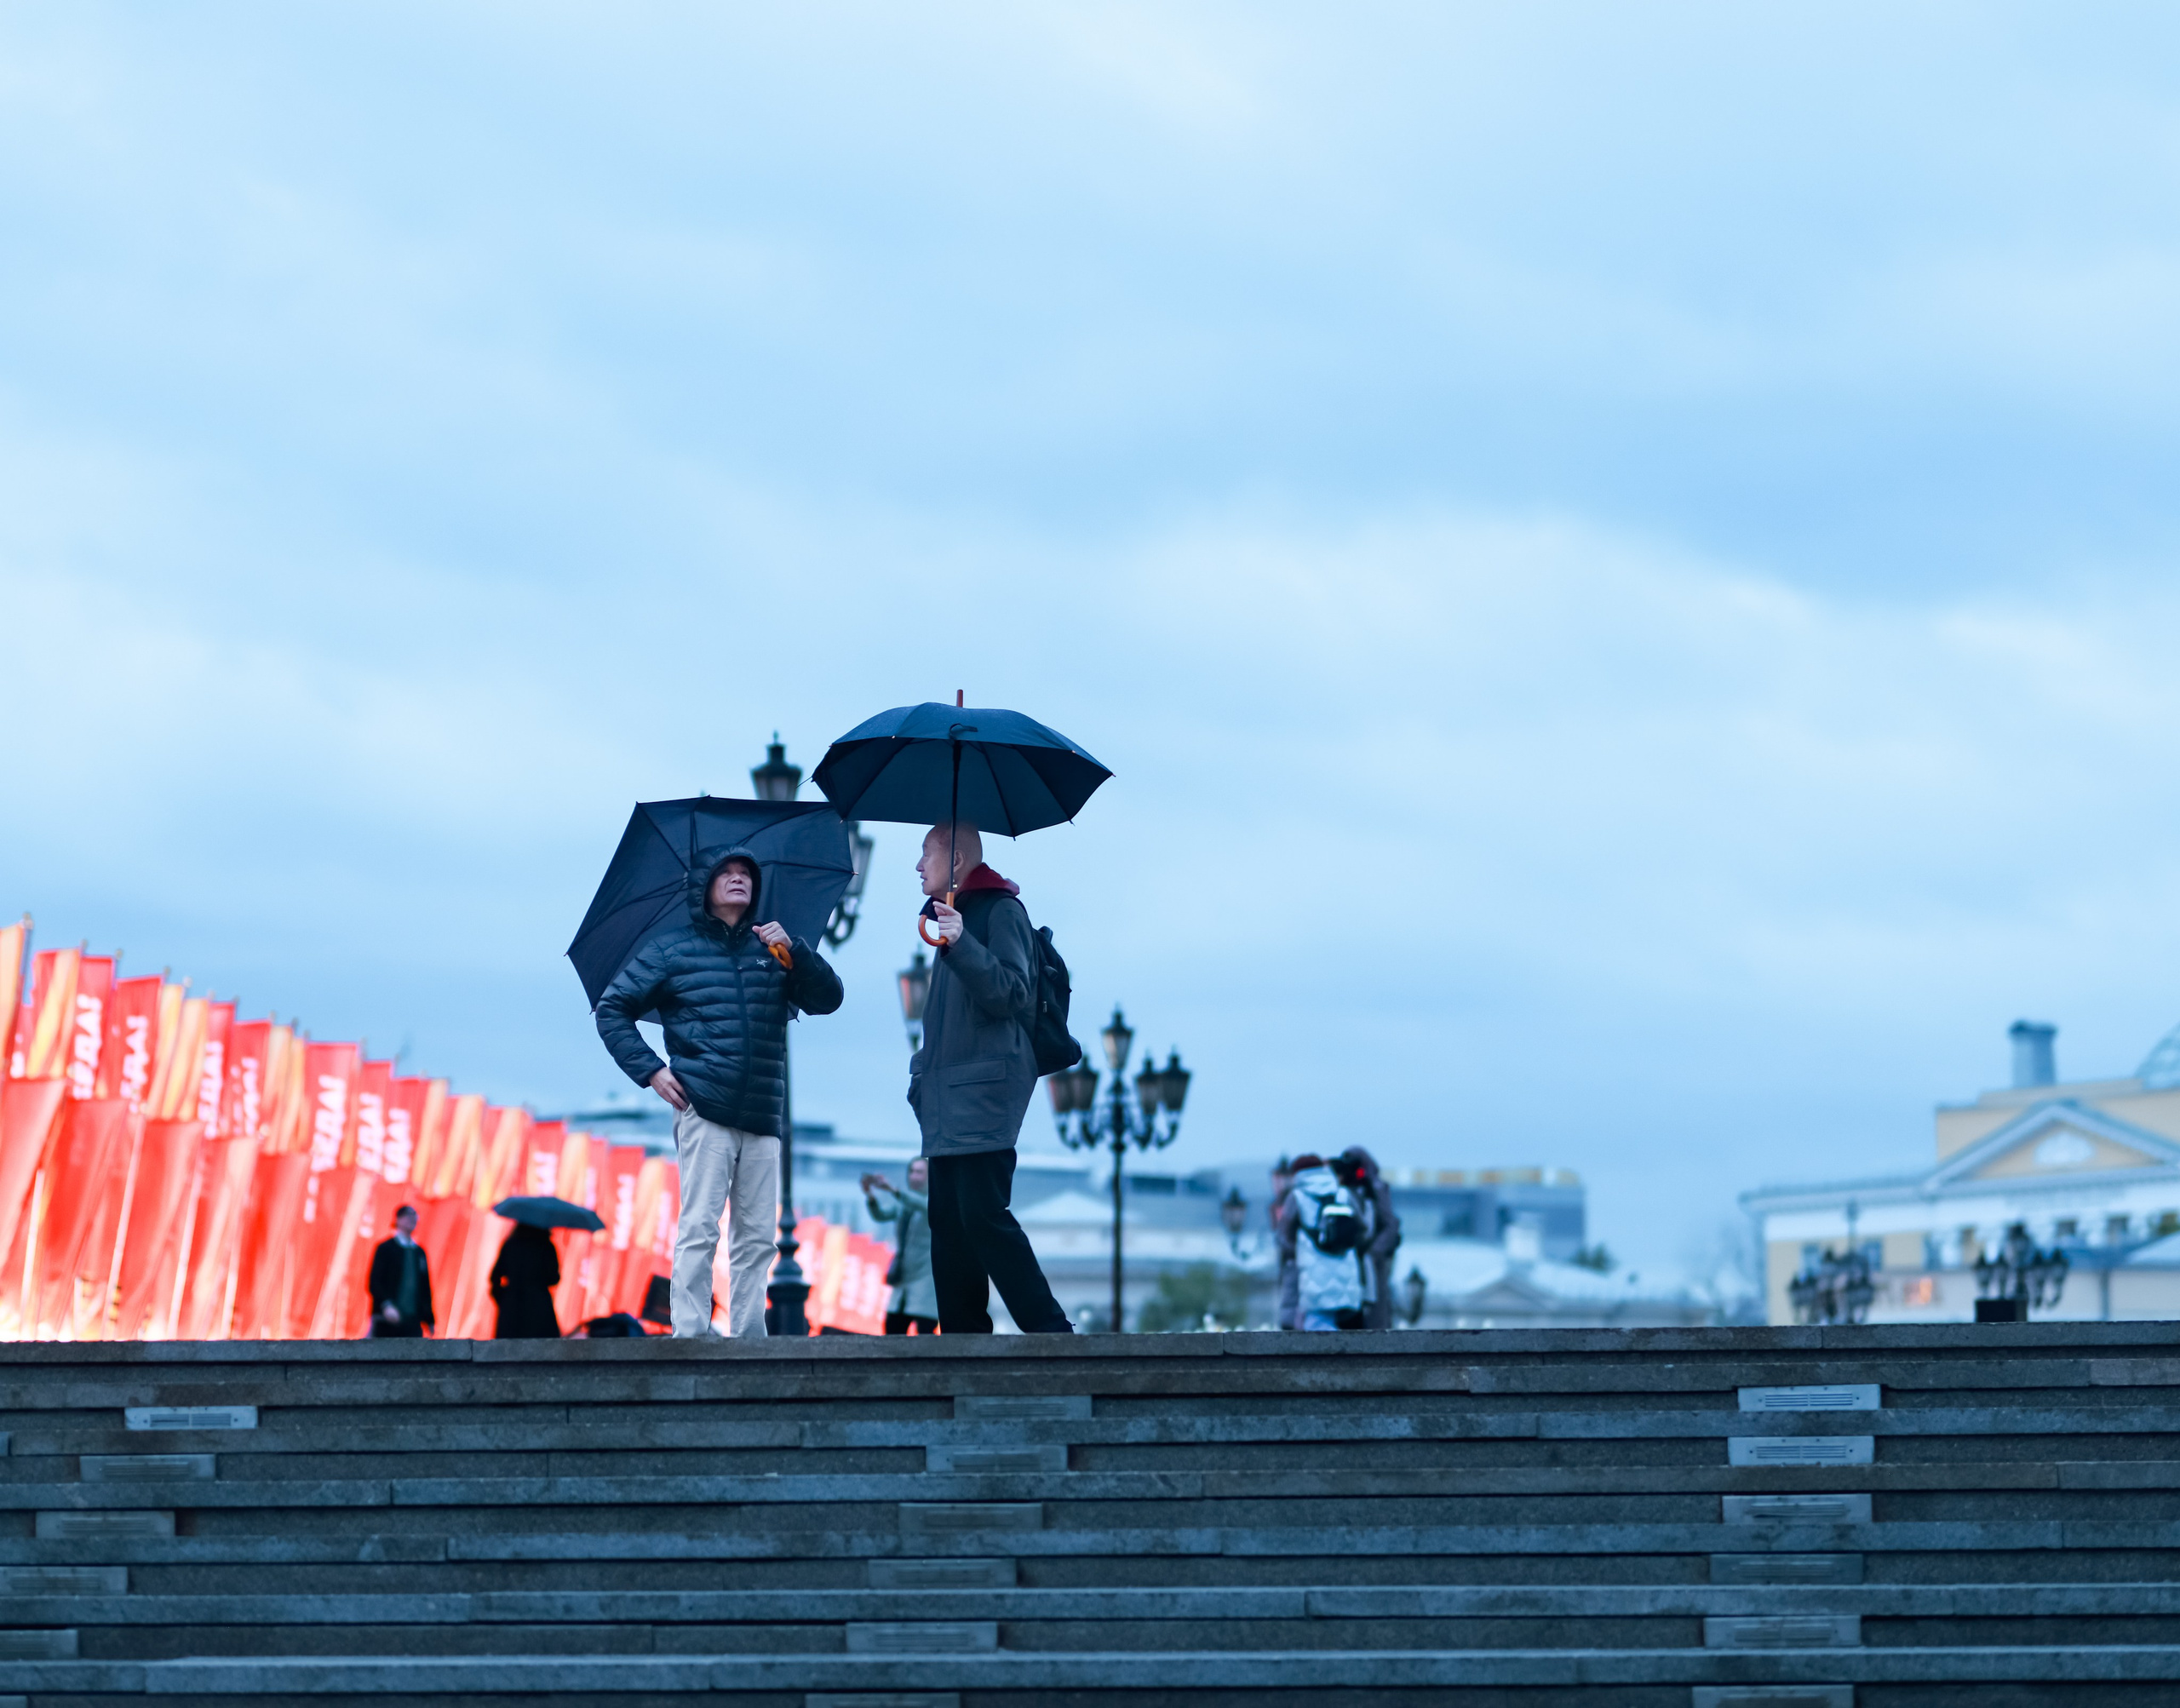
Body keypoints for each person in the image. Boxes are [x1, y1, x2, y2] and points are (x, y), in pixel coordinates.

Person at [595, 846, 844, 1338]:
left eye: (746, 874)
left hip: (763, 1113)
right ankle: (691, 1331)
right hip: (704, 1105)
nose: (738, 880)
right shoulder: (672, 949)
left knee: (757, 1238)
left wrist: (798, 955)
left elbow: (828, 1000)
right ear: (703, 887)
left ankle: (750, 1335)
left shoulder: (773, 950)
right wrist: (650, 1071)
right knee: (701, 1226)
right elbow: (612, 1010)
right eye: (726, 873)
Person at [909, 822, 1072, 1334]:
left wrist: (963, 945)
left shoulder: (1001, 909)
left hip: (984, 1090)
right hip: (948, 1093)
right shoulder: (950, 919)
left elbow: (1012, 993)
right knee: (948, 1224)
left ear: (956, 860)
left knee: (982, 1213)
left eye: (926, 854)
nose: (917, 866)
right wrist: (921, 1075)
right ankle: (962, 1341)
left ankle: (1051, 1333)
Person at [1288, 1153, 1369, 1331]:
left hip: (1313, 1275)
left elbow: (1283, 1236)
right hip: (1347, 1273)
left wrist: (1296, 1253)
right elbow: (1363, 1229)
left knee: (1317, 1328)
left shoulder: (1298, 1196)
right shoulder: (1343, 1193)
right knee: (1339, 1325)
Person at [862, 1161, 937, 1334]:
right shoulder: (904, 1202)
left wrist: (893, 1190)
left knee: (925, 1335)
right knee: (892, 1329)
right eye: (911, 1172)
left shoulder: (935, 1202)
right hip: (902, 1278)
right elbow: (882, 1215)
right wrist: (871, 1196)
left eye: (919, 1172)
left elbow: (921, 1205)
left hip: (926, 1279)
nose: (914, 1177)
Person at [1342, 1145, 1403, 1331]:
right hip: (1355, 1260)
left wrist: (1375, 1251)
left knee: (1377, 1314)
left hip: (1373, 1262)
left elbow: (1390, 1224)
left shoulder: (1376, 1188)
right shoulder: (1348, 1191)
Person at [365, 1205, 433, 1338]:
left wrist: (430, 1319)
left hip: (412, 1321)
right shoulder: (386, 1248)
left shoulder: (419, 1252)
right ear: (398, 1220)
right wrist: (386, 1305)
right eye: (408, 1216)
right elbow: (375, 1281)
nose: (412, 1220)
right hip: (387, 1320)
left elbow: (425, 1287)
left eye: (414, 1216)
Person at [490, 1223, 562, 1338]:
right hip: (539, 1306)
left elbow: (495, 1276)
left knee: (508, 1351)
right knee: (543, 1350)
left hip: (512, 1307)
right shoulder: (546, 1246)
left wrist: (503, 1297)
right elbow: (554, 1278)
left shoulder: (511, 1245)